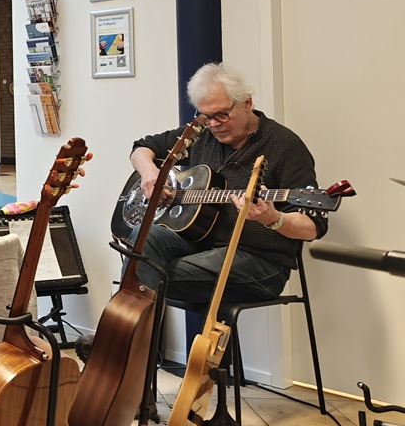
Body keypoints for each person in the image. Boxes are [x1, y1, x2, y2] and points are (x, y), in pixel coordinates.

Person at [127, 62, 327, 305]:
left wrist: (272, 218)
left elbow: (313, 226)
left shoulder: (284, 145)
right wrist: (151, 174)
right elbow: (142, 148)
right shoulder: (201, 133)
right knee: (142, 240)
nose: (213, 125)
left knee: (149, 274)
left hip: (260, 262)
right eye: (206, 117)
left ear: (247, 103)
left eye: (222, 115)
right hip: (199, 245)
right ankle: (129, 338)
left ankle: (131, 338)